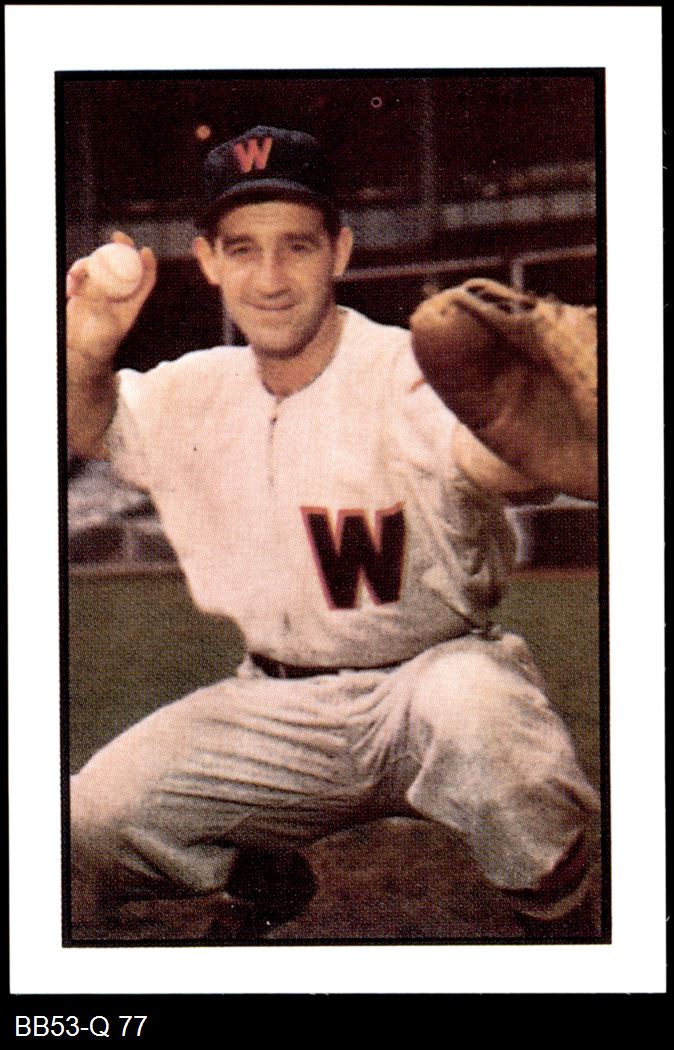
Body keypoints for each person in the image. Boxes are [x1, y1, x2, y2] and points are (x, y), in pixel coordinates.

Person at [67, 126, 600, 941]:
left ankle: (571, 938)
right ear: (207, 261)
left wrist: (566, 451)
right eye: (243, 249)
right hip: (275, 702)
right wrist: (88, 349)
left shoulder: (410, 369)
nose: (270, 278)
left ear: (340, 251)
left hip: (427, 681)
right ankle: (267, 878)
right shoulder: (195, 390)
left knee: (489, 726)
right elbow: (89, 423)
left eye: (298, 246)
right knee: (92, 817)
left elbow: (495, 455)